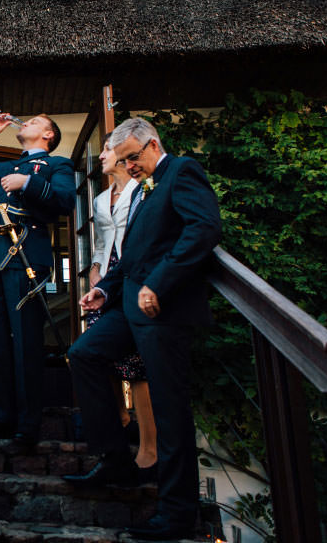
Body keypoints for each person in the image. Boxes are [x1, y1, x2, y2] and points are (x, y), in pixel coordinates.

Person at [65, 117, 221, 541]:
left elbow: (204, 228)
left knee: (170, 408)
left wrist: (160, 283)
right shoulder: (145, 188)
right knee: (83, 354)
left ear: (153, 144)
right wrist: (105, 290)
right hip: (128, 303)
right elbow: (133, 255)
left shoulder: (182, 171)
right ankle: (116, 460)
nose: (128, 166)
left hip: (163, 308)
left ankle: (176, 514)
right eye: (123, 160)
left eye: (132, 157)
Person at [0, 111, 75, 444]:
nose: (27, 122)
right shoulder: (4, 167)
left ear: (49, 135)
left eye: (36, 121)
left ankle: (27, 422)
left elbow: (66, 200)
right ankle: (0, 416)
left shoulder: (57, 164)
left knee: (25, 339)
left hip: (26, 254)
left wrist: (28, 183)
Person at [88, 133, 157, 481]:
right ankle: (120, 421)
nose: (101, 156)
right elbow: (102, 241)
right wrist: (95, 269)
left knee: (137, 365)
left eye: (106, 150)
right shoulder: (101, 199)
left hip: (134, 277)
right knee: (99, 356)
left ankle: (149, 446)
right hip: (107, 279)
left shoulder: (143, 190)